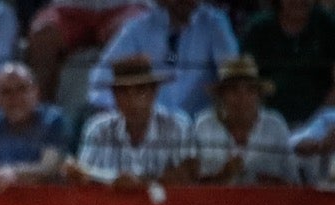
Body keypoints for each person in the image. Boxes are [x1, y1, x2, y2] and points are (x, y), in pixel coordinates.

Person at [88, 0, 239, 117]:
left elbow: (233, 76)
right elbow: (99, 82)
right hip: (147, 128)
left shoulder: (214, 24)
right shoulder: (138, 28)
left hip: (198, 130)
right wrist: (126, 110)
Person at [68, 54, 196, 188]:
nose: (132, 100)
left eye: (140, 91)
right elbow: (82, 175)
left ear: (154, 92)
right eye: (123, 92)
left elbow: (187, 176)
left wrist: (140, 183)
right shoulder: (98, 129)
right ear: (114, 96)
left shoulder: (178, 126)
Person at [0, 63, 71, 194]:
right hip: (0, 202)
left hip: (46, 200)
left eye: (22, 89)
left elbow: (49, 168)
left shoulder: (53, 120)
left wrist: (13, 173)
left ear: (35, 91)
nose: (15, 98)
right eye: (6, 92)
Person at [193, 55, 293, 183]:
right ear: (221, 95)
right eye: (233, 90)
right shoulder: (204, 125)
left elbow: (293, 180)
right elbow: (192, 183)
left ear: (259, 95)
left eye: (250, 90)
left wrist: (268, 183)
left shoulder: (274, 125)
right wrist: (223, 176)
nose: (242, 98)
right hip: (215, 201)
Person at [25, 0, 147, 105]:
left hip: (124, 6)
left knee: (130, 34)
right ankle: (44, 118)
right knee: (43, 35)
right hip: (68, 7)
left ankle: (130, 119)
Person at [241, 0, 335, 130]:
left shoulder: (327, 24)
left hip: (321, 122)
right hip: (267, 121)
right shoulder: (258, 28)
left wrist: (318, 122)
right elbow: (245, 80)